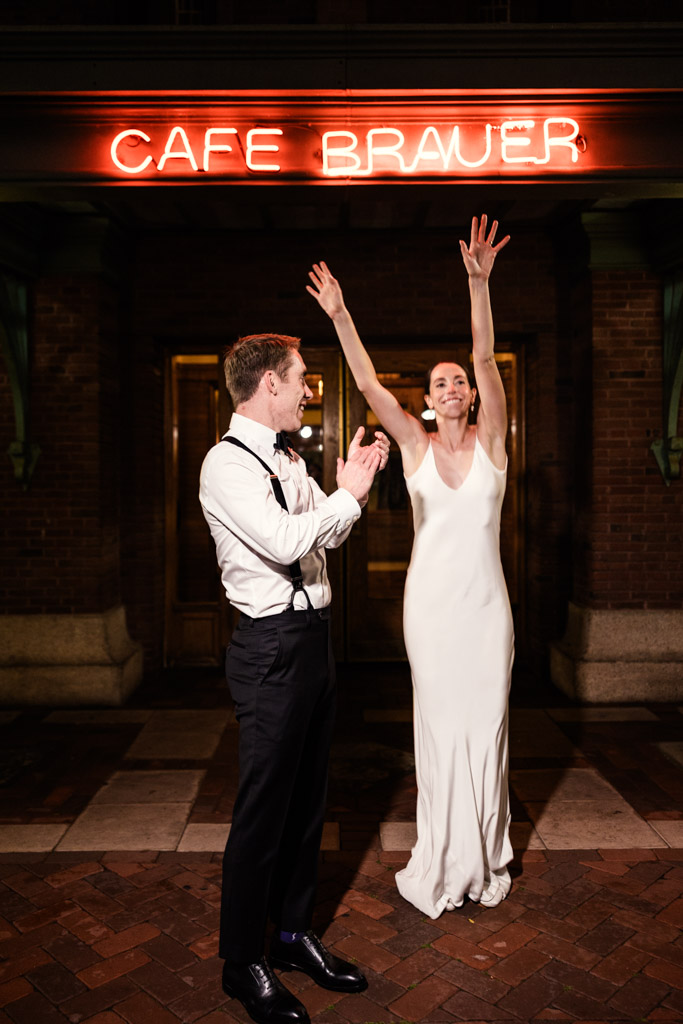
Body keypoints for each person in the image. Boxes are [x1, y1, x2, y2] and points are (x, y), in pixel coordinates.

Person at [307, 214, 514, 919]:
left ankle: (482, 855)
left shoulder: (492, 444)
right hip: (430, 610)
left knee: (484, 725)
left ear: (472, 394)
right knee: (438, 725)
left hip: (487, 611)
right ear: (428, 398)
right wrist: (340, 315)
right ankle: (442, 855)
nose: (453, 384)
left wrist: (476, 284)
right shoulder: (417, 445)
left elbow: (487, 355)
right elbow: (366, 386)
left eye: (459, 378)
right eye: (439, 380)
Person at [199, 333, 389, 1024]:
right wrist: (346, 495)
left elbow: (327, 535)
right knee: (262, 812)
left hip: (313, 642)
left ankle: (288, 934)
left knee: (309, 802)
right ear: (268, 384)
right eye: (302, 378)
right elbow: (284, 541)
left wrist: (345, 492)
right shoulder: (225, 464)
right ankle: (240, 960)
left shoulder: (288, 454)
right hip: (269, 649)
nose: (308, 389)